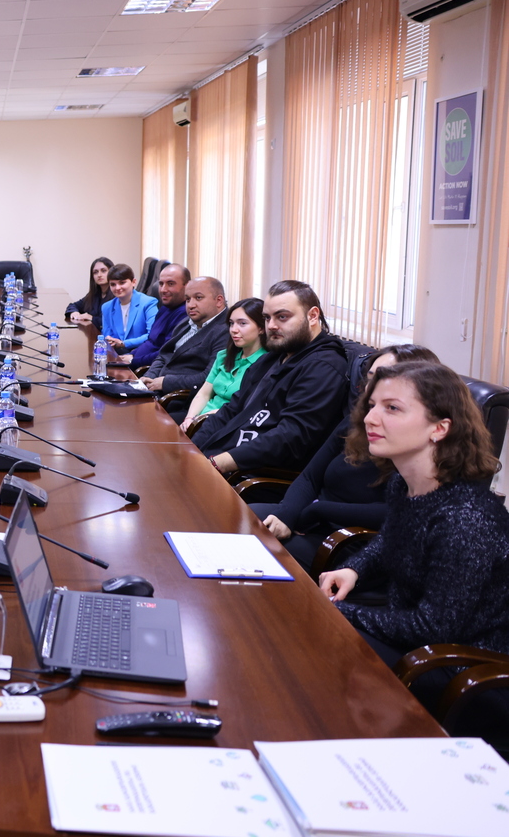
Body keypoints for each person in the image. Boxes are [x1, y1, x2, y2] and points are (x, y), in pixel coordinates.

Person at [319, 362, 508, 671]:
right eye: (372, 405)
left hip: (454, 666)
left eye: (392, 408)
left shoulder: (464, 519)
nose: (369, 418)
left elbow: (433, 628)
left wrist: (340, 611)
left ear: (440, 428)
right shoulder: (404, 484)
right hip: (412, 639)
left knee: (317, 643)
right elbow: (391, 541)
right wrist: (354, 569)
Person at [257, 346, 441, 568]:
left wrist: (318, 511)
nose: (372, 389)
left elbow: (404, 510)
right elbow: (310, 477)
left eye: (385, 380)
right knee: (239, 519)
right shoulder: (360, 420)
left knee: (260, 554)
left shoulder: (417, 446)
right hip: (311, 517)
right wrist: (287, 515)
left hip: (351, 538)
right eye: (371, 379)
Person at [192, 280, 348, 475]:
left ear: (312, 316)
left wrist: (218, 463)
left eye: (282, 317)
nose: (271, 326)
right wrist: (191, 448)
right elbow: (231, 410)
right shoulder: (273, 358)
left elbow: (290, 437)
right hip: (220, 456)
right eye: (267, 318)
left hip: (251, 473)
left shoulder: (323, 366)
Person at [140, 276, 231, 419]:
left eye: (198, 298)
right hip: (157, 392)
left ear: (219, 301)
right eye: (188, 299)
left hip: (182, 402)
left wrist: (165, 383)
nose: (191, 305)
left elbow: (207, 378)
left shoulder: (226, 331)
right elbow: (164, 355)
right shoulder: (186, 322)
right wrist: (148, 378)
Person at [180, 298, 268, 431]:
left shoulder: (266, 364)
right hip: (200, 419)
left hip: (228, 425)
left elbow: (244, 408)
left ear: (261, 328)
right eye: (231, 323)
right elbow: (204, 394)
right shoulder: (224, 355)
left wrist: (200, 420)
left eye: (242, 323)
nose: (233, 330)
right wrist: (189, 419)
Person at [126, 263, 190, 366]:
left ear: (187, 286)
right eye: (161, 284)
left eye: (170, 284)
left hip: (144, 370)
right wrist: (131, 355)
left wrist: (132, 361)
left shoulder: (184, 314)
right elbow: (150, 341)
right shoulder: (165, 308)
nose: (163, 289)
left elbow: (165, 354)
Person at [97, 263, 159, 355]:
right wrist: (112, 342)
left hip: (141, 353)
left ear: (133, 282)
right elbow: (107, 336)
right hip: (117, 355)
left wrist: (124, 343)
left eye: (122, 283)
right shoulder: (107, 307)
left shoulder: (148, 303)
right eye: (113, 284)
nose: (117, 288)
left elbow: (152, 335)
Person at [64, 256, 113, 325]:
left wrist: (92, 318)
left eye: (103, 271)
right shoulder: (94, 294)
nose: (99, 275)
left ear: (112, 272)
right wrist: (74, 312)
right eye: (95, 272)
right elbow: (73, 305)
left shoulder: (117, 296)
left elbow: (114, 322)